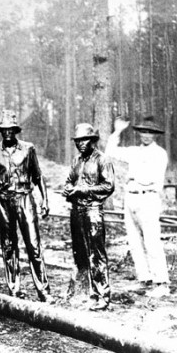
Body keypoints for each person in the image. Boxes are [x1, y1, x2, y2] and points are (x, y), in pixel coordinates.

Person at [0, 110, 53, 303]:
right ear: (0, 131)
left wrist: (45, 200)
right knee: (8, 246)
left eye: (11, 130)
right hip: (3, 201)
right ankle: (14, 288)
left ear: (16, 130)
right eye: (4, 130)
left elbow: (38, 176)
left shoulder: (28, 149)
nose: (7, 133)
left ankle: (43, 290)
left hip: (25, 199)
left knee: (33, 245)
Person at [105, 116, 170, 298]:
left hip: (148, 197)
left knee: (151, 241)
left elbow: (150, 178)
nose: (146, 135)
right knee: (134, 242)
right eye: (143, 131)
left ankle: (162, 283)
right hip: (131, 198)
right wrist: (117, 131)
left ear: (155, 135)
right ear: (139, 133)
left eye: (150, 132)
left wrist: (134, 177)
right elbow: (111, 151)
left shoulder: (159, 153)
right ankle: (145, 279)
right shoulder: (134, 151)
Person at [63, 123, 115, 311]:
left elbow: (108, 186)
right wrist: (68, 189)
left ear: (93, 140)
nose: (81, 144)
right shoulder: (76, 160)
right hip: (76, 211)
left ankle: (103, 295)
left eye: (85, 140)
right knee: (80, 253)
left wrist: (84, 190)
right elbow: (69, 181)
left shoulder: (102, 160)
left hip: (93, 210)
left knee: (97, 253)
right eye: (78, 141)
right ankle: (84, 292)